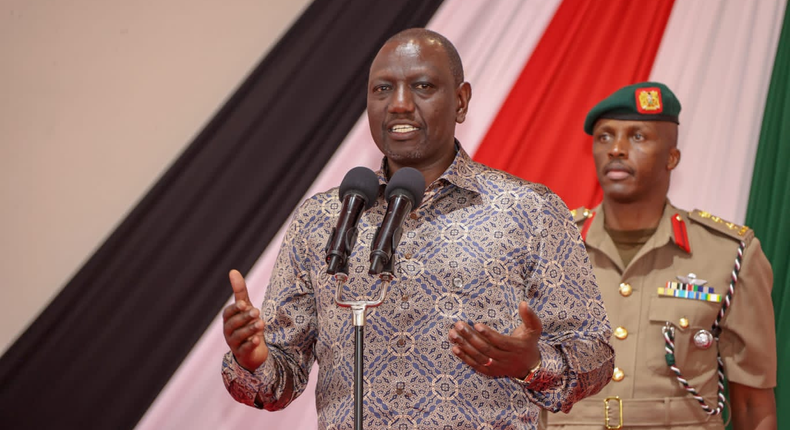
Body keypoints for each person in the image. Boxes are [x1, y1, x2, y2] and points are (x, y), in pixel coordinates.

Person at [221, 28, 615, 429]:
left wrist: (531, 364)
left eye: (422, 86)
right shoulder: (323, 220)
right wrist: (253, 359)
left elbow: (595, 354)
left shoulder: (529, 210)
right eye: (382, 90)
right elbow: (277, 381)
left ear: (461, 101)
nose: (400, 104)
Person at [546, 82, 777, 430]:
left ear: (672, 157)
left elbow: (750, 404)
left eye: (637, 137)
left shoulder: (729, 254)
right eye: (605, 137)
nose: (617, 150)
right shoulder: (549, 248)